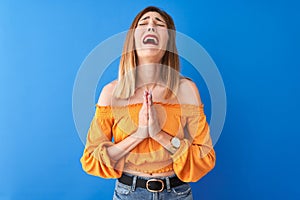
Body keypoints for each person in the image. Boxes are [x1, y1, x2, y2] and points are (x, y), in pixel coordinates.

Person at [80, 6, 216, 200]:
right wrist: (140, 134)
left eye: (159, 24)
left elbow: (205, 158)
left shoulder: (186, 90)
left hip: (177, 193)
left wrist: (159, 135)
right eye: (143, 23)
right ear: (132, 39)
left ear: (169, 40)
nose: (151, 26)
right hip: (129, 193)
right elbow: (91, 159)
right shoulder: (111, 93)